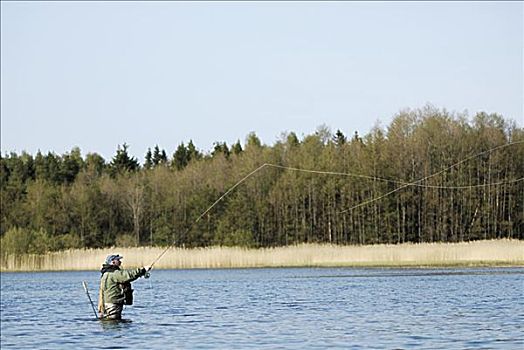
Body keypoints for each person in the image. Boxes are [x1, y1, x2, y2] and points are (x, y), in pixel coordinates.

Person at [98, 254, 148, 320]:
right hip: (114, 303)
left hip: (107, 302)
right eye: (118, 260)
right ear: (113, 262)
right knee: (114, 323)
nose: (120, 262)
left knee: (109, 322)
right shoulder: (114, 273)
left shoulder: (105, 273)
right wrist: (143, 270)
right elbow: (128, 275)